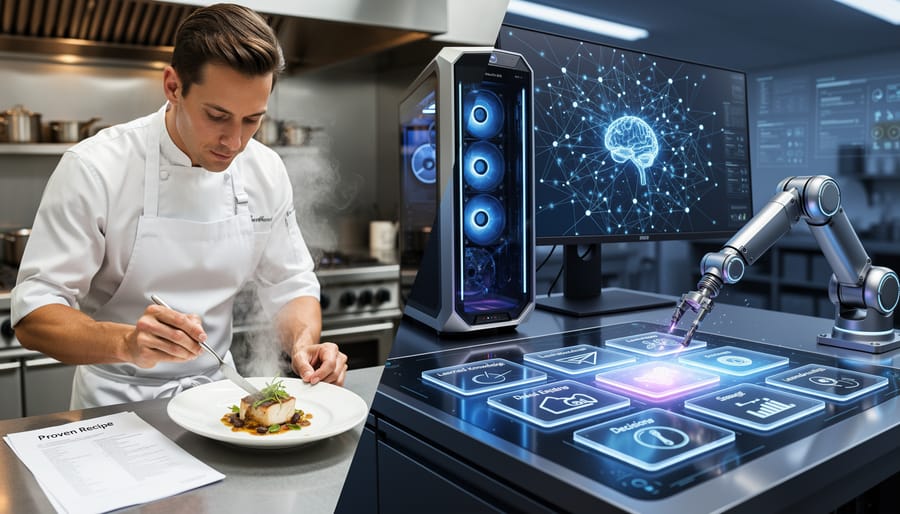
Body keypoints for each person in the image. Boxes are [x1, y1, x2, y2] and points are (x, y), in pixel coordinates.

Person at [10, 3, 347, 409]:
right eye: (217, 115)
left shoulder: (265, 170)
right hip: (116, 404)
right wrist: (127, 342)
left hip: (216, 400)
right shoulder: (95, 167)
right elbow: (35, 314)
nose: (235, 142)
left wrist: (304, 344)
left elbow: (289, 284)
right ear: (173, 86)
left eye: (252, 119)